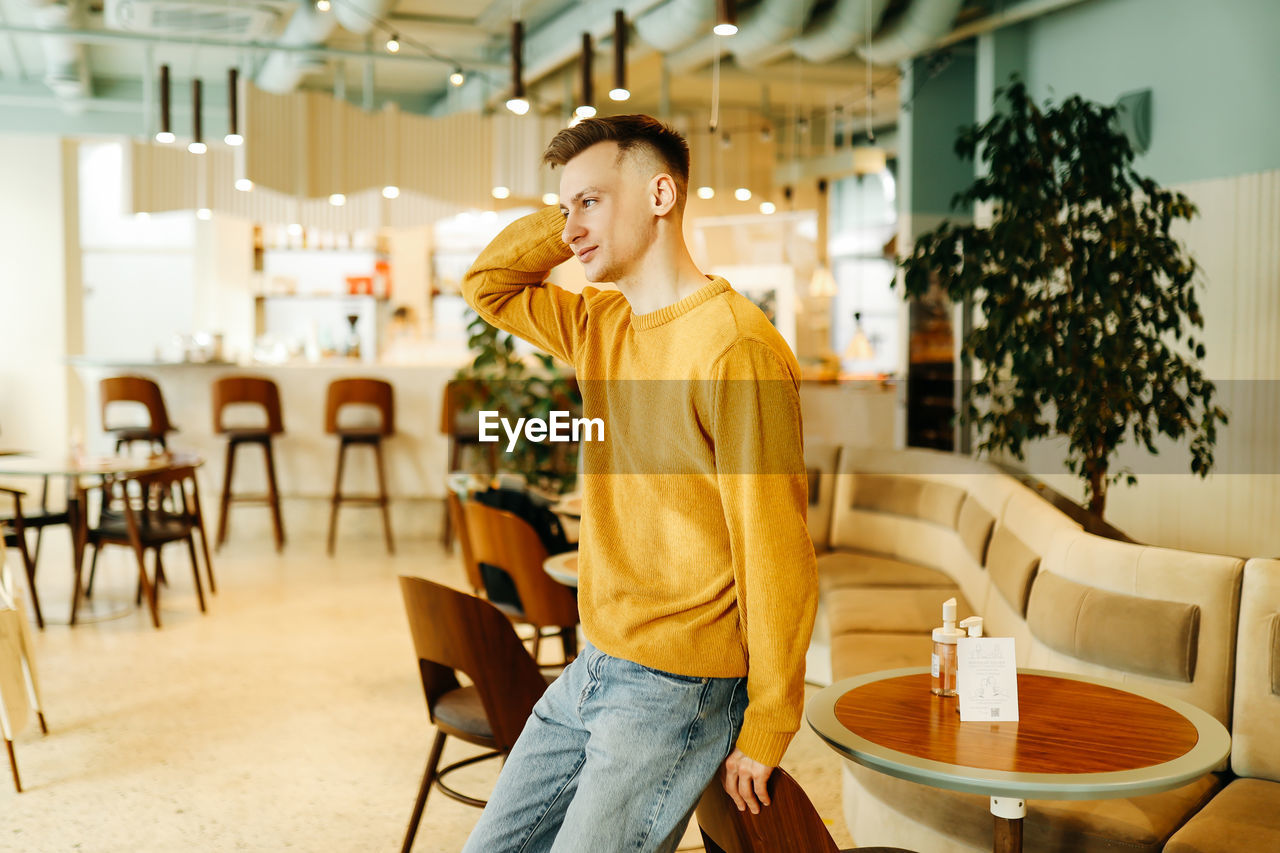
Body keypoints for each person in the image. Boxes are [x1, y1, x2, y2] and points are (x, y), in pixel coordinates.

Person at [459, 114, 817, 853]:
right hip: (596, 662)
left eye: (590, 202)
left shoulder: (737, 349)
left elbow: (774, 546)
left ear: (662, 194)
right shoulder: (602, 322)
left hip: (677, 687)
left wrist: (771, 717)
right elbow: (487, 284)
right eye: (565, 208)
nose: (573, 227)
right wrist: (569, 218)